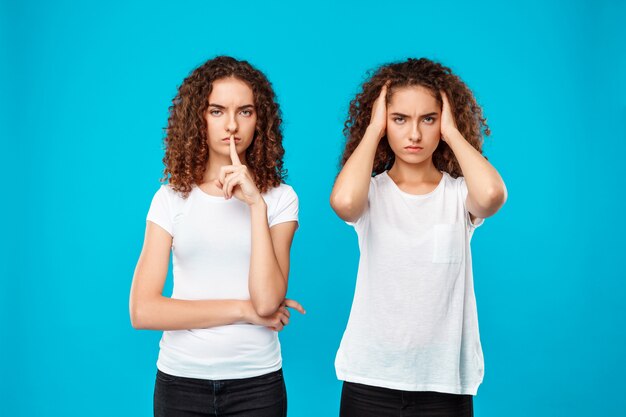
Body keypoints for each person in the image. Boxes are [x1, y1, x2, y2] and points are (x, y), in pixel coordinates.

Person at [330, 58, 507, 417]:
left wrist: (453, 133)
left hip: (443, 385)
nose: (414, 135)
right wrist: (374, 128)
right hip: (370, 379)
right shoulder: (371, 194)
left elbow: (491, 196)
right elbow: (344, 202)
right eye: (400, 119)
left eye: (428, 119)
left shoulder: (458, 196)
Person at [129, 55, 304, 417]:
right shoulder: (170, 198)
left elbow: (268, 302)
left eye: (245, 112)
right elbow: (143, 310)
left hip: (257, 384)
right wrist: (243, 311)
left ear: (260, 120)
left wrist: (257, 206)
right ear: (198, 118)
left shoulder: (280, 199)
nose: (231, 125)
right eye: (217, 111)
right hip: (180, 383)